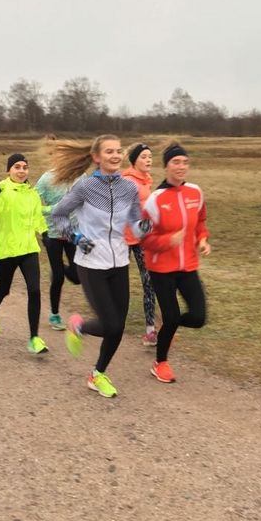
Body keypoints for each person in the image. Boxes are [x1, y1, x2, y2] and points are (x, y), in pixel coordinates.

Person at [49, 135, 150, 398]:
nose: (115, 155)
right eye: (109, 151)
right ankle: (79, 327)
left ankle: (97, 374)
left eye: (118, 151)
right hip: (91, 263)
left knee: (118, 326)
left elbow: (135, 224)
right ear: (97, 157)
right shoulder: (85, 187)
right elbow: (58, 215)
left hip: (119, 261)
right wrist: (76, 238)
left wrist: (146, 227)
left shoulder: (129, 188)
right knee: (111, 325)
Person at [140, 143, 211, 383]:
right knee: (171, 316)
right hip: (161, 269)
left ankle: (167, 327)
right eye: (176, 162)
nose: (181, 166)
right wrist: (167, 241)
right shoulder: (155, 200)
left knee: (198, 317)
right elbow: (144, 238)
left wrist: (203, 239)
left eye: (185, 162)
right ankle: (160, 363)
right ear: (166, 167)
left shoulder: (195, 192)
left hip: (188, 266)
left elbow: (200, 221)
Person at [0, 153, 50, 355]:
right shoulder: (3, 190)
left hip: (29, 249)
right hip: (7, 250)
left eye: (24, 167)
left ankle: (34, 338)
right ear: (8, 170)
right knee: (4, 288)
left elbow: (37, 217)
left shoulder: (32, 193)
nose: (21, 171)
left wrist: (44, 233)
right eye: (17, 167)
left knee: (34, 290)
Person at [35, 166, 81, 331]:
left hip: (72, 233)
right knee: (58, 277)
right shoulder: (46, 178)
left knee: (77, 277)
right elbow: (32, 206)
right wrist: (51, 210)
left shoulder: (80, 176)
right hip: (52, 234)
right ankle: (54, 315)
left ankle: (59, 269)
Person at [121, 142, 158, 347]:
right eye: (144, 157)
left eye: (150, 156)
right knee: (119, 283)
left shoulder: (146, 180)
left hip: (142, 239)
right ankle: (112, 319)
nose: (148, 160)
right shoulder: (127, 181)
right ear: (135, 160)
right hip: (123, 239)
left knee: (149, 282)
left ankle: (150, 330)